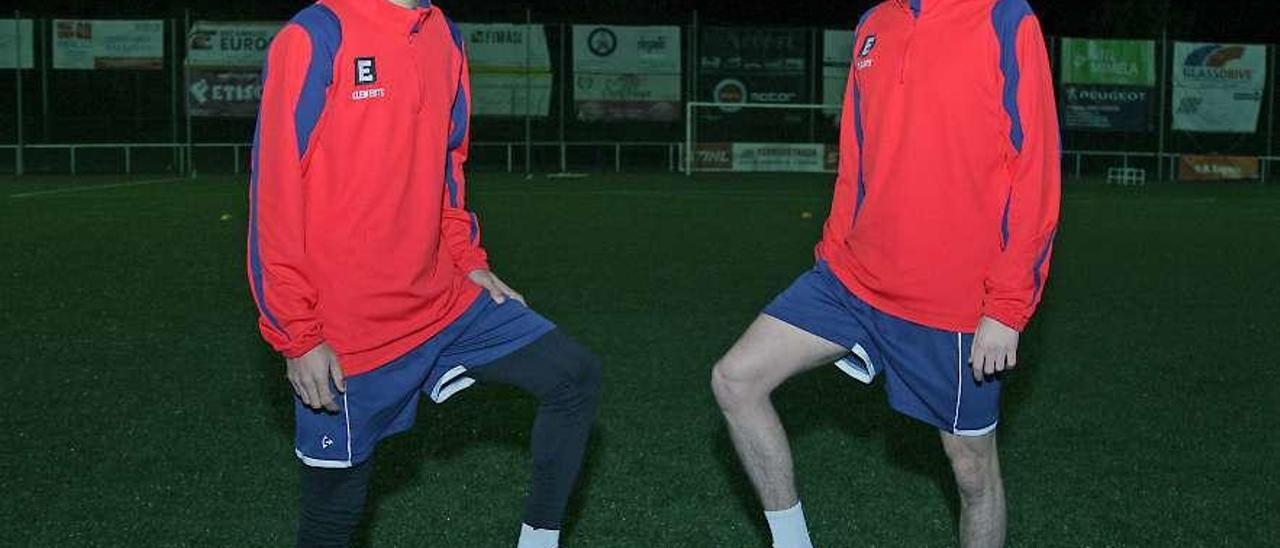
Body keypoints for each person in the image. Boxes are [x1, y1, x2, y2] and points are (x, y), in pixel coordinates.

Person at [247, 1, 601, 547]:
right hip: (347, 335)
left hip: (444, 303)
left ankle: (539, 541)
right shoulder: (317, 34)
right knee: (332, 520)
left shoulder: (445, 36)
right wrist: (297, 334)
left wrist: (469, 261)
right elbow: (274, 193)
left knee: (572, 375)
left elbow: (447, 165)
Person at [710, 0, 1060, 546]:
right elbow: (856, 154)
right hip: (852, 279)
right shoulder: (876, 22)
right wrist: (830, 254)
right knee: (736, 381)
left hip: (953, 302)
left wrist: (1007, 308)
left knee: (972, 473)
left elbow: (1035, 170)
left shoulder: (1005, 19)